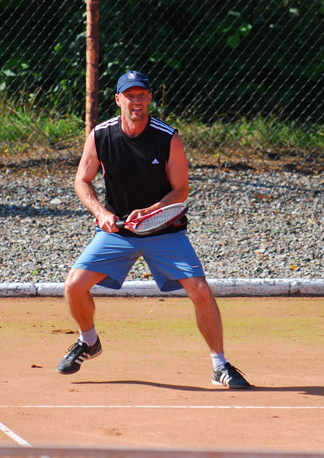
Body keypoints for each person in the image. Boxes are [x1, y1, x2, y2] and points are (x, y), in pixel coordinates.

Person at [56, 70, 251, 389]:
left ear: (149, 99)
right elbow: (82, 180)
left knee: (200, 290)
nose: (136, 101)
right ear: (118, 99)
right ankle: (88, 342)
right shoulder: (101, 136)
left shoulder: (167, 137)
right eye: (129, 95)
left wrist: (150, 211)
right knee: (74, 286)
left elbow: (181, 190)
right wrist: (101, 213)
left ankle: (220, 366)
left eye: (142, 95)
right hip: (118, 233)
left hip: (165, 231)